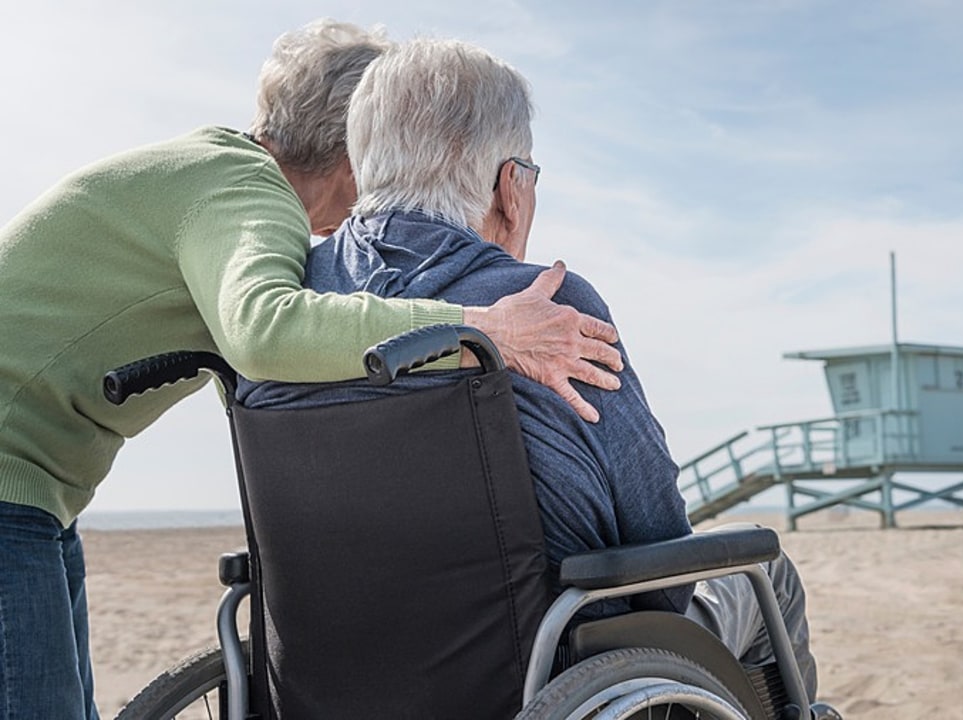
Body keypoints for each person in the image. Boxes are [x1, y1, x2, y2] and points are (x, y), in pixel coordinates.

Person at [0, 21, 624, 720]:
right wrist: (485, 330)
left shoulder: (210, 173)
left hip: (41, 488)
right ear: (356, 157)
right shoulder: (245, 190)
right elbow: (265, 331)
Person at [240, 37, 837, 715]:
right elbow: (657, 540)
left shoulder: (284, 307)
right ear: (509, 185)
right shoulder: (546, 311)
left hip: (330, 679)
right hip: (547, 677)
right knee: (766, 574)